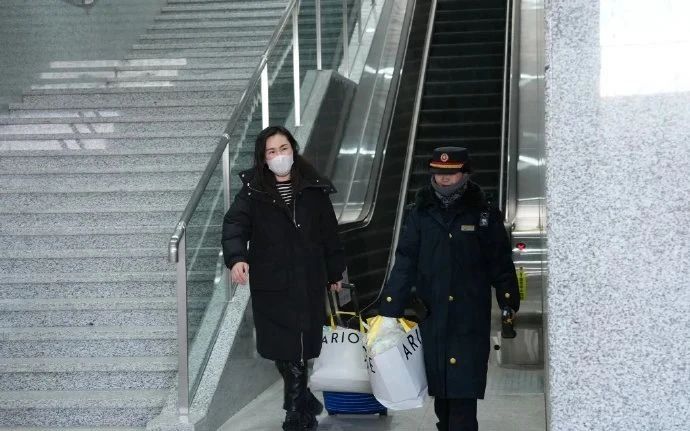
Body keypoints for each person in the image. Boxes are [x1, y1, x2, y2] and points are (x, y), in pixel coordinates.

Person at [377, 147, 520, 431]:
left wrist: (508, 301)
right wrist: (390, 308)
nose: (444, 178)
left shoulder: (483, 213)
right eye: (439, 173)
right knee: (442, 391)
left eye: (451, 173)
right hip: (433, 313)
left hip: (469, 314)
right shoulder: (420, 212)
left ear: (465, 174)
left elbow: (500, 261)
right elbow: (405, 260)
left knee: (463, 392)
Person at [222, 125, 346, 431]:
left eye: (283, 149)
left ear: (293, 149)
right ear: (263, 158)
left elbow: (329, 234)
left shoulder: (313, 188)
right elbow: (235, 225)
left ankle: (294, 414)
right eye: (271, 152)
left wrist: (334, 271)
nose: (279, 156)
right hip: (271, 283)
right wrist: (237, 258)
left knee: (299, 347)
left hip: (307, 280)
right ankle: (304, 400)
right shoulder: (253, 190)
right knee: (282, 348)